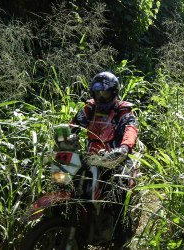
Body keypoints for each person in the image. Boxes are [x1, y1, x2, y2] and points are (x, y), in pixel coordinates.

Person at [70, 71, 139, 248]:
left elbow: (131, 129)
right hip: (90, 157)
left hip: (116, 158)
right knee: (67, 181)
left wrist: (125, 148)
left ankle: (121, 235)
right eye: (97, 92)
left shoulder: (124, 111)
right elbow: (75, 124)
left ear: (114, 93)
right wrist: (67, 135)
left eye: (105, 93)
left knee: (120, 188)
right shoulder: (90, 108)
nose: (101, 96)